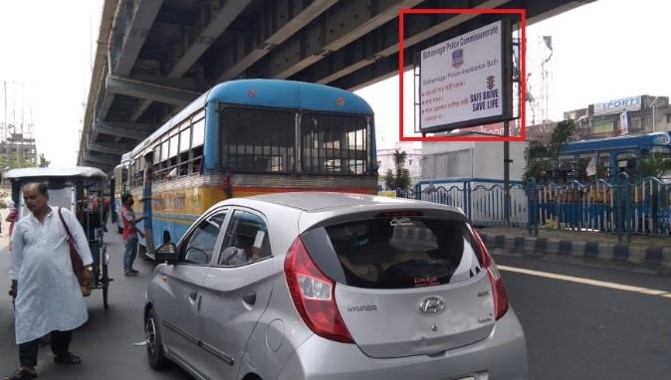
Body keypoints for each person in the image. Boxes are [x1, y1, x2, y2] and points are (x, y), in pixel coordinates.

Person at [5, 182, 94, 380]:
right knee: (26, 318)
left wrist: (88, 267)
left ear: (45, 197)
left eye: (32, 197)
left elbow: (80, 238)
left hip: (60, 279)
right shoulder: (22, 225)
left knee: (62, 316)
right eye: (26, 198)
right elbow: (17, 257)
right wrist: (15, 283)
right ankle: (27, 366)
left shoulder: (63, 215)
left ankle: (61, 353)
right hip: (30, 283)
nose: (28, 201)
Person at [121, 193, 146, 276]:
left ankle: (130, 268)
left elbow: (133, 225)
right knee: (128, 253)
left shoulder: (130, 210)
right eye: (129, 199)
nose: (131, 200)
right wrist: (142, 217)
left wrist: (140, 232)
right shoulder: (125, 211)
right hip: (128, 235)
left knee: (133, 253)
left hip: (133, 233)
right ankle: (127, 270)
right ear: (125, 201)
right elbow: (132, 222)